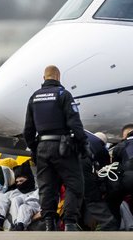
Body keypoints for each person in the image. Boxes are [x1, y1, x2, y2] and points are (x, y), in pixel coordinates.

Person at [23, 65, 90, 231]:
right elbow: (75, 124)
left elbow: (28, 130)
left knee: (47, 188)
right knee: (74, 184)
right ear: (58, 77)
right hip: (63, 147)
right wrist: (83, 146)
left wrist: (35, 149)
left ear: (44, 77)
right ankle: (69, 223)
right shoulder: (63, 95)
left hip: (42, 148)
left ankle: (49, 223)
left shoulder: (34, 98)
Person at [80, 131, 118, 231]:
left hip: (59, 160)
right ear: (103, 143)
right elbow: (104, 173)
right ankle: (109, 224)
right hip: (81, 164)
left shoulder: (86, 135)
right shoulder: (101, 149)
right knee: (92, 198)